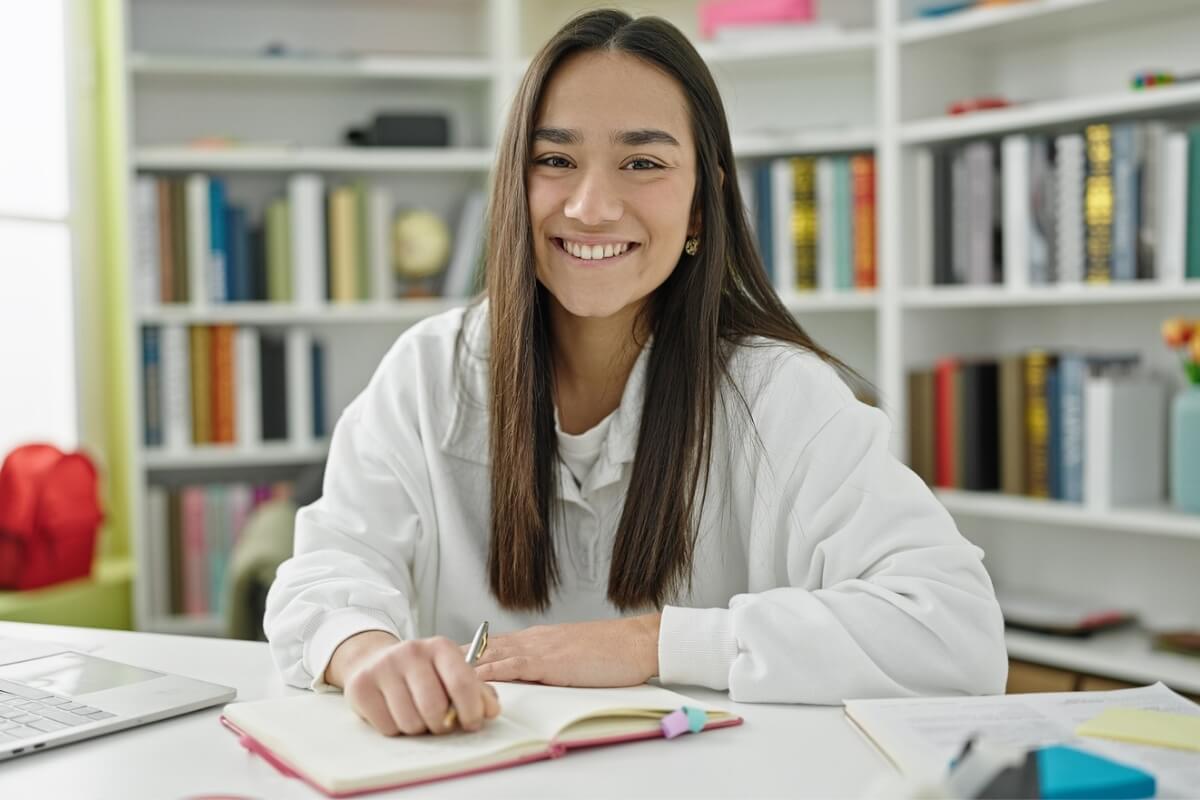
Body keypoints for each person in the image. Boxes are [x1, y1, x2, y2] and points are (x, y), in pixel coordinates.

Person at [263, 8, 1008, 738]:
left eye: (643, 163)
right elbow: (326, 573)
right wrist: (364, 653)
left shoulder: (780, 394)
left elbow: (955, 632)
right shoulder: (431, 371)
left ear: (698, 207)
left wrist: (650, 645)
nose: (590, 207)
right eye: (554, 160)